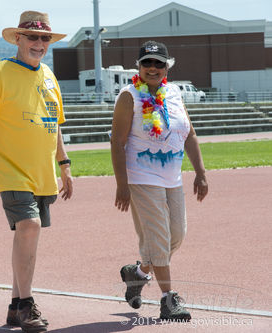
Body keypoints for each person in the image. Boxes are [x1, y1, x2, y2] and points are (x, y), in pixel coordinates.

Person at [0, 10, 73, 333]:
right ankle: (27, 305)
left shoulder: (49, 77)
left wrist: (65, 166)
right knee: (29, 226)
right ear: (18, 39)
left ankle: (15, 307)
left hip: (42, 172)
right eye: (32, 37)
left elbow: (54, 125)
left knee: (27, 236)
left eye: (44, 38)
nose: (39, 43)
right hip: (11, 170)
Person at [111, 40, 208, 321]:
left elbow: (188, 134)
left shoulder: (174, 92)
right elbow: (117, 142)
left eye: (158, 63)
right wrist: (122, 184)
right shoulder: (129, 96)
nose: (152, 68)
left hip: (172, 179)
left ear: (168, 66)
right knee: (159, 237)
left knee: (176, 235)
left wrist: (200, 173)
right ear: (138, 66)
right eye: (147, 63)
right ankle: (168, 299)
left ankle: (138, 273)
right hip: (141, 177)